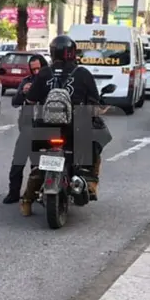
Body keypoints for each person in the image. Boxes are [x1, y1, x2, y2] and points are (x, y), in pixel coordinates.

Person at [22, 35, 110, 214]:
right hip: (77, 128)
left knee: (38, 164)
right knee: (96, 144)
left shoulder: (44, 73)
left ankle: (27, 200)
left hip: (45, 127)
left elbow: (30, 100)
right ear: (72, 53)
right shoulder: (83, 73)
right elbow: (95, 104)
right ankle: (90, 182)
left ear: (52, 53)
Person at [3, 54, 48, 204]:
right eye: (33, 69)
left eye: (38, 69)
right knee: (18, 162)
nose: (36, 72)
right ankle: (13, 193)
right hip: (27, 127)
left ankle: (38, 193)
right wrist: (23, 92)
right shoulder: (27, 81)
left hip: (45, 127)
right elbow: (15, 102)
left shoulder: (51, 81)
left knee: (38, 164)